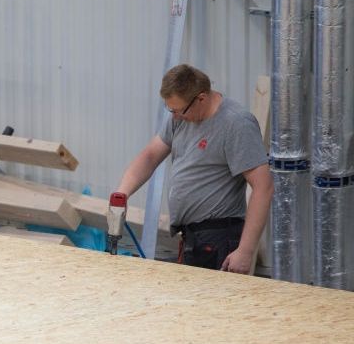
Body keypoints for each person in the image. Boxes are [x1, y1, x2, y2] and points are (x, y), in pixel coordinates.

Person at [112, 64, 273, 274]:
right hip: (192, 239)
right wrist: (122, 194)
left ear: (201, 98)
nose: (175, 116)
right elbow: (150, 156)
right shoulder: (181, 118)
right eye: (171, 110)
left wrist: (245, 251)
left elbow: (263, 187)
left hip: (219, 239)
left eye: (179, 110)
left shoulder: (236, 124)